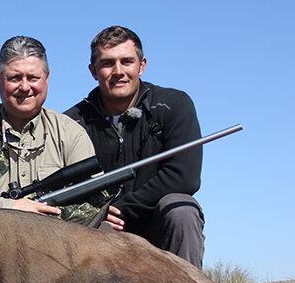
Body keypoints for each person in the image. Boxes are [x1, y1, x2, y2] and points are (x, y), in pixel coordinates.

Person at [64, 26, 205, 267]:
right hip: (101, 227)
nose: (118, 71)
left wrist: (122, 209)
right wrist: (98, 215)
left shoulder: (175, 104)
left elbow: (185, 177)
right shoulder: (71, 123)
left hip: (155, 222)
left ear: (142, 65)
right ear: (93, 71)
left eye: (127, 61)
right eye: (108, 63)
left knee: (182, 210)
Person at [0, 36, 103, 224]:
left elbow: (97, 205)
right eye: (14, 78)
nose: (24, 87)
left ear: (47, 78)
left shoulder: (71, 133)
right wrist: (9, 207)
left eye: (33, 78)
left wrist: (40, 213)